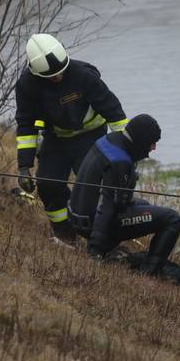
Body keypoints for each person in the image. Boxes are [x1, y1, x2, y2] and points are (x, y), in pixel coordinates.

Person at [14, 33, 129, 241]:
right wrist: (24, 166)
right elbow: (26, 125)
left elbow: (114, 111)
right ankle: (65, 233)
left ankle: (103, 236)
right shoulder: (27, 86)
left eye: (60, 72)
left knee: (92, 187)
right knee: (48, 184)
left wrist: (126, 151)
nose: (58, 77)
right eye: (51, 76)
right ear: (37, 72)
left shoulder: (83, 75)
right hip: (56, 139)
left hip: (91, 136)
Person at [67, 114, 180, 276]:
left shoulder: (110, 139)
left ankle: (114, 251)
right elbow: (107, 206)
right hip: (90, 222)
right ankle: (149, 273)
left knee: (146, 206)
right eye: (152, 142)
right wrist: (95, 251)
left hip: (76, 214)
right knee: (172, 218)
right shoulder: (119, 161)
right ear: (141, 140)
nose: (154, 147)